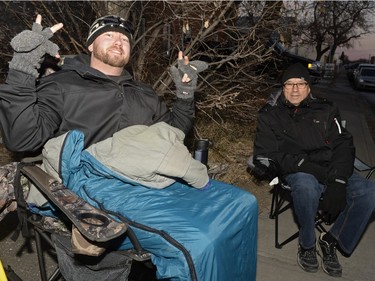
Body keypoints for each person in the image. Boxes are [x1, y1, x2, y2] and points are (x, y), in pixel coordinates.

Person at [0, 14, 207, 153]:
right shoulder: (62, 85)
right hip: (81, 195)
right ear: (91, 45)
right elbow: (22, 139)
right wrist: (23, 65)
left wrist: (185, 95)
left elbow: (174, 134)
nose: (118, 41)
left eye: (125, 40)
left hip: (140, 188)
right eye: (108, 35)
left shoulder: (144, 93)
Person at [252, 62, 375, 277]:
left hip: (330, 167)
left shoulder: (326, 108)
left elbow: (343, 145)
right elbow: (266, 153)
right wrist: (306, 167)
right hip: (296, 170)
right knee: (307, 186)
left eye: (300, 83)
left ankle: (332, 241)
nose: (295, 89)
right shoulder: (269, 114)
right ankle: (307, 244)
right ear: (282, 87)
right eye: (289, 84)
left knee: (369, 193)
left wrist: (338, 181)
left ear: (309, 86)